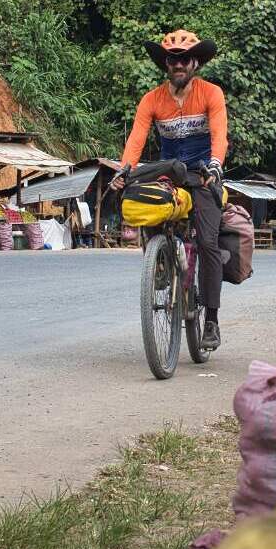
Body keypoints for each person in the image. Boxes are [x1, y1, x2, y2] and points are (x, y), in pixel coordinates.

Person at [111, 29, 227, 350]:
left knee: (207, 241)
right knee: (142, 203)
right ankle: (159, 261)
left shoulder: (211, 94)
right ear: (165, 64)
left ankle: (213, 322)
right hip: (168, 173)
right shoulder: (151, 100)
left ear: (195, 63)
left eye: (184, 59)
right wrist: (124, 170)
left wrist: (216, 164)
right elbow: (136, 139)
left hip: (203, 174)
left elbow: (220, 135)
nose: (178, 65)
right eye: (172, 59)